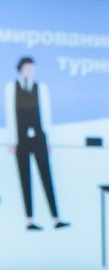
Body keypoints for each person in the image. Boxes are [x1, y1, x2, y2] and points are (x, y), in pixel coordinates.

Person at [13, 52, 64, 227]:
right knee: (25, 178)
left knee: (46, 176)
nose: (31, 71)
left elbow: (46, 114)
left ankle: (55, 218)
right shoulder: (12, 88)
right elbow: (11, 115)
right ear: (21, 69)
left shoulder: (40, 88)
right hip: (21, 139)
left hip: (39, 138)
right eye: (27, 68)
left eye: (32, 68)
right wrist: (13, 140)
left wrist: (48, 138)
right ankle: (29, 219)